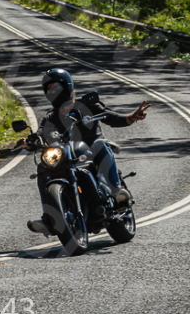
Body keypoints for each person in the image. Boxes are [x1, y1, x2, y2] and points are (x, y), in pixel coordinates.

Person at [15, 68, 151, 235]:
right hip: (68, 155)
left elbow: (111, 117)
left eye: (57, 87)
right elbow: (42, 132)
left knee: (100, 143)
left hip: (92, 153)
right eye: (50, 89)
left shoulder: (87, 106)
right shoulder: (50, 117)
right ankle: (49, 217)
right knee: (43, 166)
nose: (53, 92)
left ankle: (117, 192)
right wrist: (29, 142)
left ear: (68, 87)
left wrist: (131, 117)